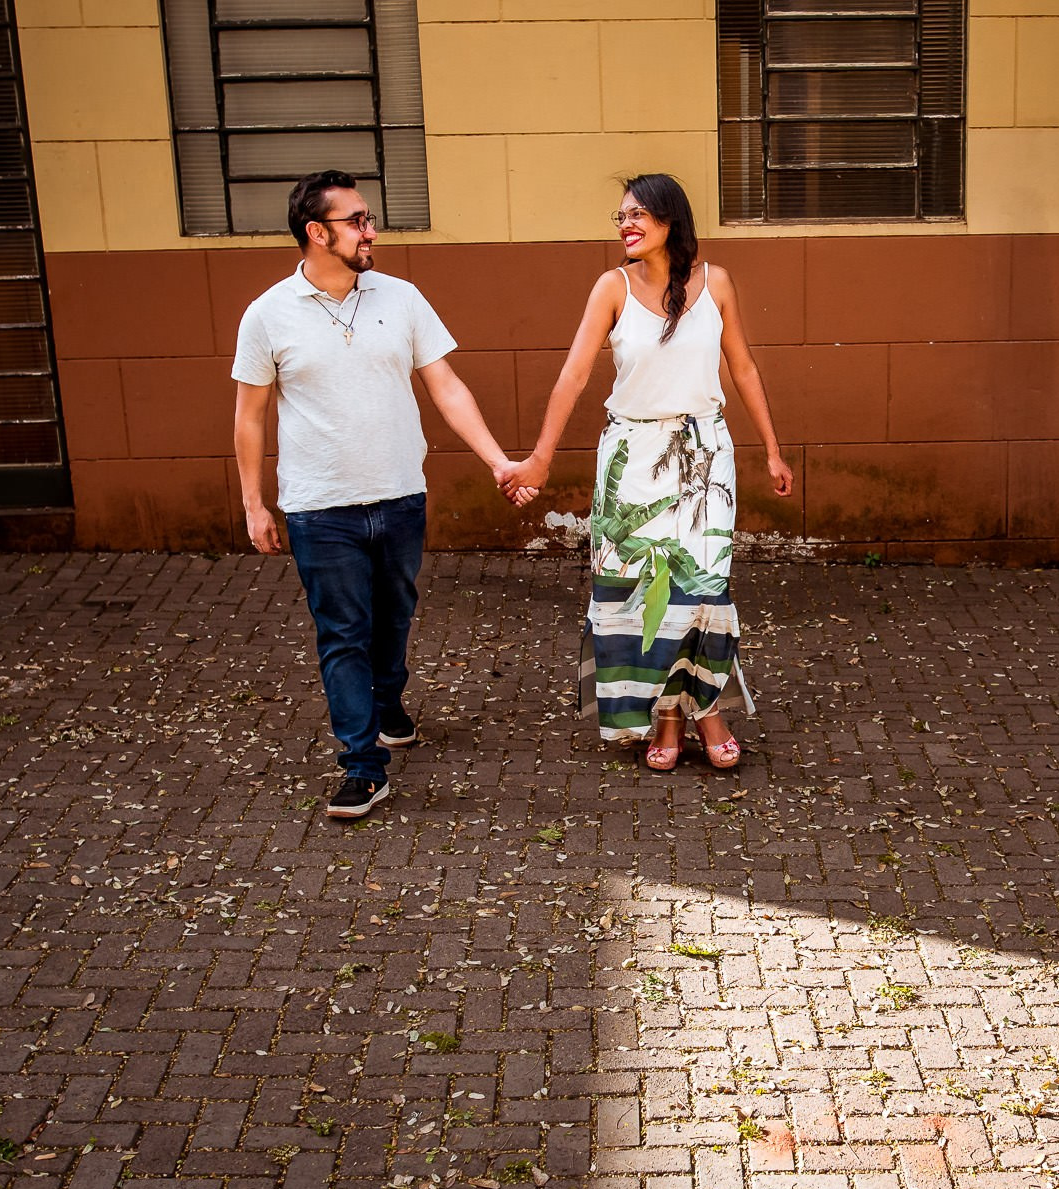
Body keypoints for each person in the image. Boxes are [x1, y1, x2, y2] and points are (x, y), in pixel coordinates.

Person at [232, 169, 520, 819]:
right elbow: (249, 416)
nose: (371, 231)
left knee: (392, 619)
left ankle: (388, 702)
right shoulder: (267, 314)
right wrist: (254, 503)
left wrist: (498, 460)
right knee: (342, 633)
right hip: (318, 508)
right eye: (357, 220)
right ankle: (362, 765)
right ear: (317, 232)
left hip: (399, 497)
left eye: (369, 218)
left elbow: (446, 386)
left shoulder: (402, 297)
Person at [502, 173, 791, 771]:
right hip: (631, 458)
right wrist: (540, 458)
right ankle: (665, 716)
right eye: (621, 216)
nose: (626, 225)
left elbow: (742, 367)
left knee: (702, 591)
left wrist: (772, 449)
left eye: (637, 214)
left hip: (705, 457)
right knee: (637, 593)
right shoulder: (612, 287)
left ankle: (707, 711)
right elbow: (574, 374)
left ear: (669, 219)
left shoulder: (717, 283)